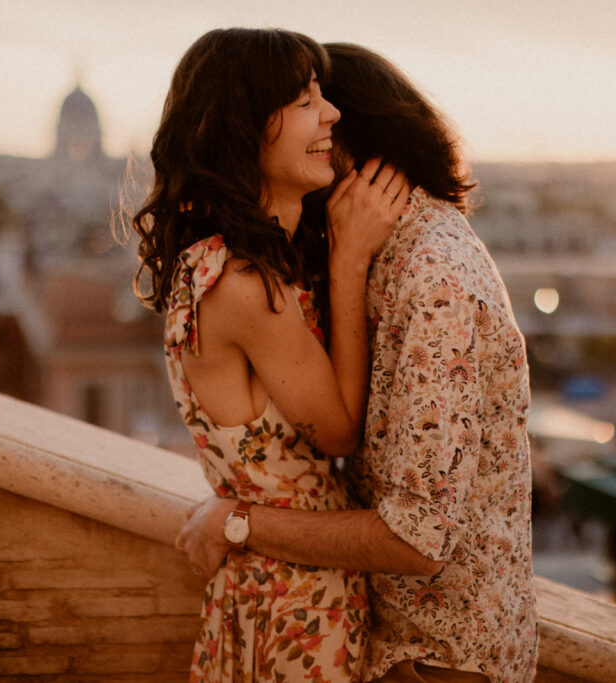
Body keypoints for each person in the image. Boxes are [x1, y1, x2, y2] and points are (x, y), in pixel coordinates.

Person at [176, 42, 539, 682]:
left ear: (361, 148)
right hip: (376, 635)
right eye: (306, 102)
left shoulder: (433, 281)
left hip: (436, 661)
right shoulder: (276, 271)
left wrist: (238, 522)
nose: (326, 117)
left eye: (331, 108)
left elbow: (417, 536)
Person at [131, 29, 409, 681]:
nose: (331, 113)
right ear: (247, 128)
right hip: (298, 601)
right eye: (305, 99)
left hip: (270, 585)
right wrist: (350, 256)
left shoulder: (217, 264)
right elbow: (339, 427)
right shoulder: (246, 286)